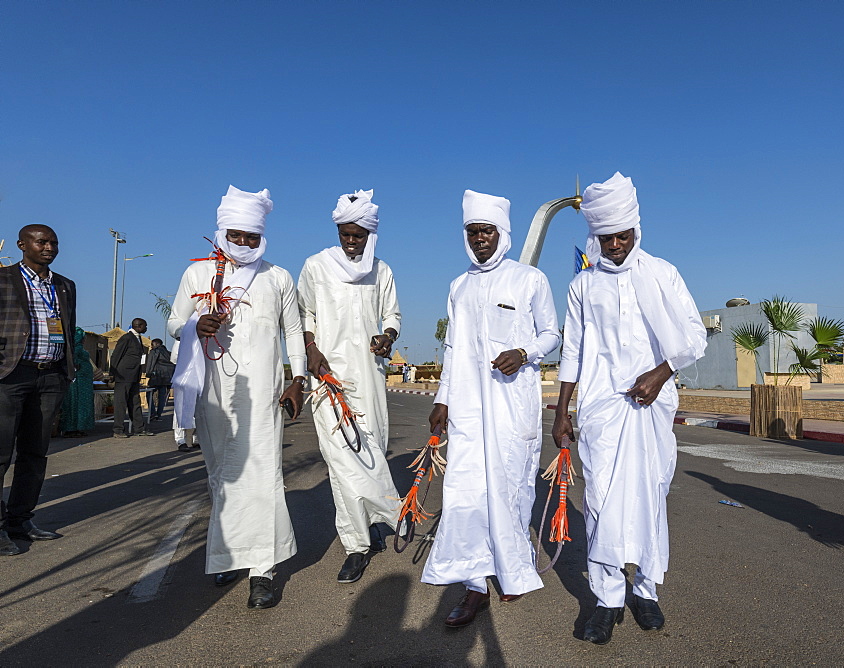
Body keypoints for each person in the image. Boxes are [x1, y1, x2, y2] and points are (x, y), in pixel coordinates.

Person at [552, 172, 707, 645]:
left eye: (623, 234)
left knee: (649, 497)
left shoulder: (663, 273)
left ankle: (645, 590)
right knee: (599, 503)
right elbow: (573, 352)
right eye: (607, 236)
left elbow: (694, 336)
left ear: (637, 230)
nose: (616, 244)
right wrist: (562, 412)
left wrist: (660, 374)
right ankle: (606, 599)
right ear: (594, 237)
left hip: (652, 411)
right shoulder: (583, 285)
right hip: (602, 411)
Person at [421, 190, 561, 627]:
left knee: (512, 488)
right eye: (473, 232)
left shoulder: (528, 280)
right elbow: (451, 348)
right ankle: (474, 585)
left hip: (512, 404)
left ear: (502, 233)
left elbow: (552, 334)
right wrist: (443, 397)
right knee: (466, 492)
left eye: (487, 231)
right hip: (466, 406)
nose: (480, 238)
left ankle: (512, 567)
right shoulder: (458, 287)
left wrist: (524, 351)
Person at [168, 185, 306, 609]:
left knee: (264, 479)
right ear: (223, 232)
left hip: (263, 394)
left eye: (252, 236)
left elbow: (294, 333)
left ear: (261, 237)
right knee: (222, 477)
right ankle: (230, 553)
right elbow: (174, 323)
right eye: (237, 235)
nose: (244, 243)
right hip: (212, 392)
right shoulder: (197, 275)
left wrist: (297, 379)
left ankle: (262, 570)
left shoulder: (277, 276)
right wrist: (196, 325)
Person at [297, 188, 403, 584]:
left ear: (371, 234)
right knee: (341, 458)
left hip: (369, 372)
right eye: (346, 232)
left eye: (359, 234)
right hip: (326, 374)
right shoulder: (315, 266)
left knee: (371, 446)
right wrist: (310, 349)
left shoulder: (383, 271)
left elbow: (392, 314)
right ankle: (359, 544)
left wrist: (388, 336)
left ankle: (375, 525)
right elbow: (303, 313)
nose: (352, 240)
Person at [0, 224, 76, 556]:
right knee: (1, 455)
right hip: (11, 376)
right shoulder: (3, 280)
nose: (49, 247)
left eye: (53, 243)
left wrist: (65, 372)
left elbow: (69, 330)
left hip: (50, 378)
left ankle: (19, 521)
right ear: (22, 244)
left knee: (34, 454)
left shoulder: (64, 285)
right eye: (41, 242)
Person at [110, 318, 151, 438]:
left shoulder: (138, 338)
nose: (146, 328)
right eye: (145, 326)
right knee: (121, 403)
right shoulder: (126, 338)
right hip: (123, 376)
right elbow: (116, 355)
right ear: (139, 326)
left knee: (135, 403)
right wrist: (113, 373)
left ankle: (139, 429)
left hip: (134, 376)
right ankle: (118, 430)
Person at [59, 327, 95, 437]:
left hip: (82, 382)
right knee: (75, 405)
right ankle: (72, 428)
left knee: (78, 405)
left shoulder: (76, 348)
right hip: (78, 383)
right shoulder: (76, 348)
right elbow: (73, 362)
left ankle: (78, 427)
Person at [144, 338, 173, 421]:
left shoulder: (154, 352)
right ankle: (159, 414)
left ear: (155, 344)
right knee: (162, 397)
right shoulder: (168, 353)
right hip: (166, 378)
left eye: (152, 345)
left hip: (156, 376)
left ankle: (153, 413)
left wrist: (148, 375)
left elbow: (150, 363)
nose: (151, 347)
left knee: (149, 394)